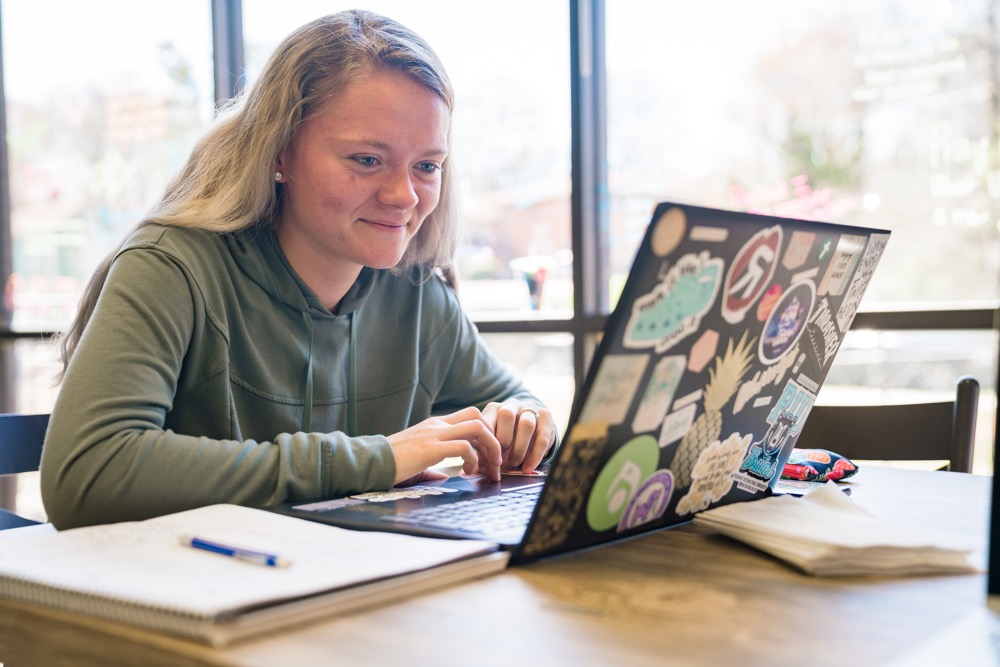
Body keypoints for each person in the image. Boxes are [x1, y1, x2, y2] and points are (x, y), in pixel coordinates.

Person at [40, 10, 556, 530]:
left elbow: (515, 401)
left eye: (426, 166)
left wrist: (528, 424)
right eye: (367, 160)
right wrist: (374, 461)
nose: (404, 196)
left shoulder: (416, 293)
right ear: (279, 151)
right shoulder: (171, 269)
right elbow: (87, 473)